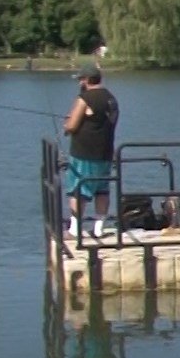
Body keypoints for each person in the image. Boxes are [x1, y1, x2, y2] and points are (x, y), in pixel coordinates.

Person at [62, 62, 120, 239]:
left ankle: (74, 230)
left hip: (84, 153)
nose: (79, 82)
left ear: (86, 80)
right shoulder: (111, 99)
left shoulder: (86, 98)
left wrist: (67, 125)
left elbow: (72, 125)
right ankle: (99, 228)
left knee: (78, 189)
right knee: (102, 190)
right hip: (105, 152)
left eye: (80, 79)